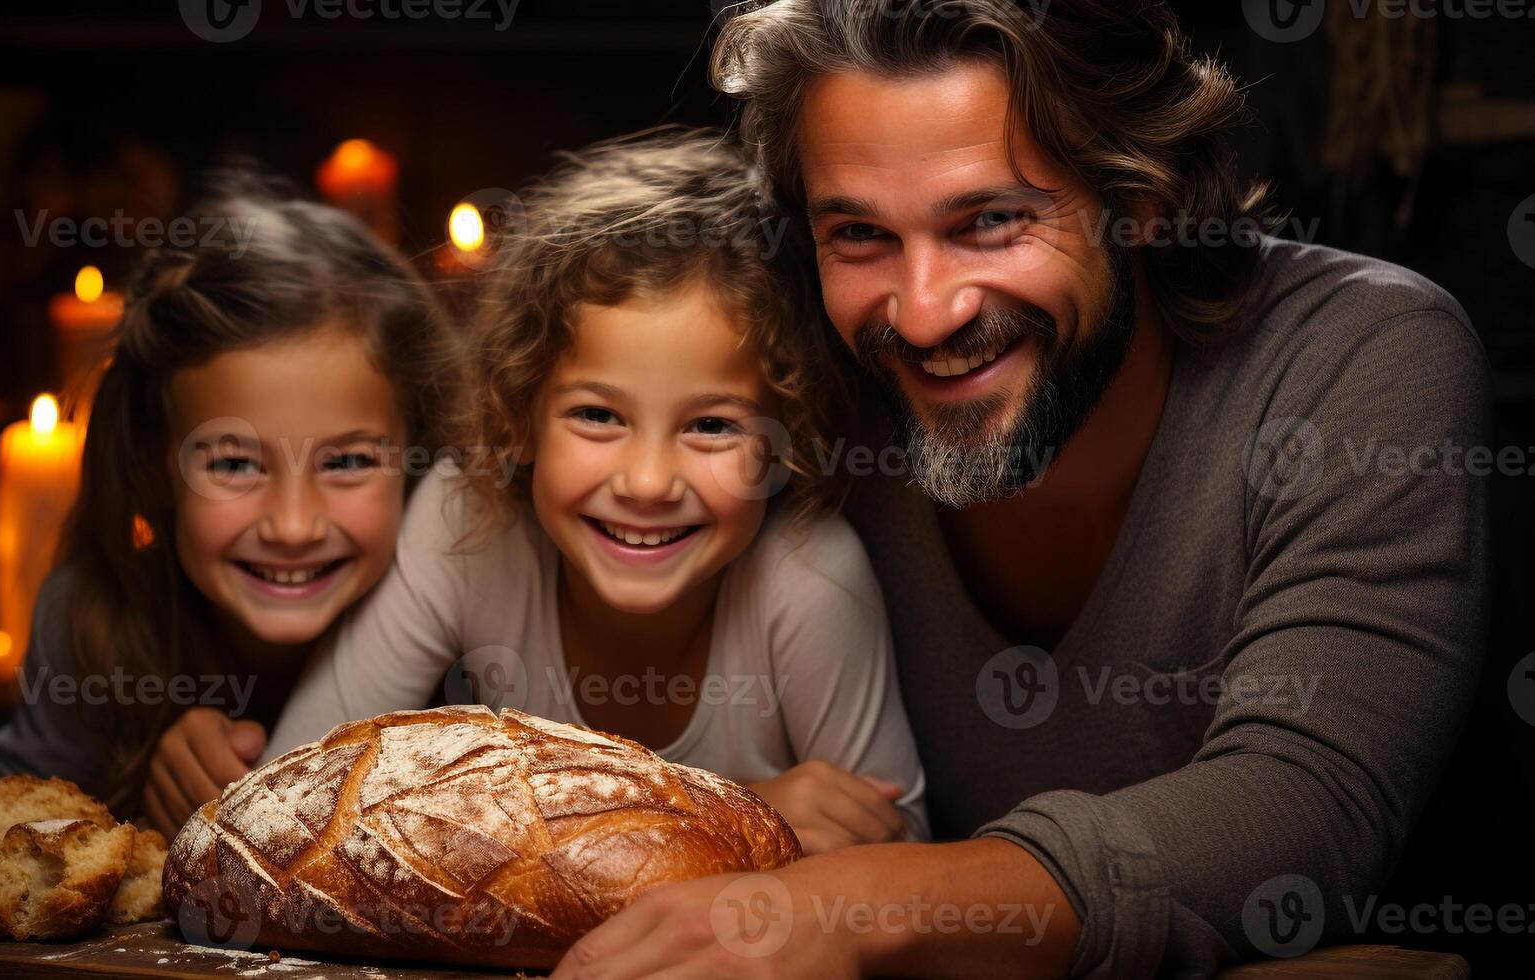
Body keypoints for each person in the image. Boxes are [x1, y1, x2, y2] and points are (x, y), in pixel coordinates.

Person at [551, 3, 1487, 977]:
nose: (920, 315)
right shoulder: (804, 379)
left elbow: (1306, 805)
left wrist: (847, 906)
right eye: (860, 235)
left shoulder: (1355, 354)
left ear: (1141, 197)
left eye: (989, 221)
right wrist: (744, 812)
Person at [265, 129, 930, 852]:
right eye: (596, 415)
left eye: (710, 425)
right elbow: (287, 799)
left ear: (786, 440)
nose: (646, 482)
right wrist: (717, 816)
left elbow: (896, 864)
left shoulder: (807, 579)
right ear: (518, 419)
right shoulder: (469, 517)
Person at [0, 176, 464, 840]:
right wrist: (143, 810)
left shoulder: (468, 629)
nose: (293, 526)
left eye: (348, 461)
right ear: (157, 462)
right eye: (234, 464)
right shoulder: (93, 618)